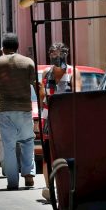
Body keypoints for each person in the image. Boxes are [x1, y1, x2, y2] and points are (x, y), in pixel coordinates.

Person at [0, 33, 39, 190]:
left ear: (3, 48)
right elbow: (34, 82)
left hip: (5, 109)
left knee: (9, 146)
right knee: (27, 141)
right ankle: (29, 175)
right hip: (24, 108)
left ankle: (12, 181)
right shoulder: (28, 62)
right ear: (18, 46)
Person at [38, 42, 75, 199]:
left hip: (67, 120)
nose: (57, 57)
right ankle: (50, 188)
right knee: (48, 155)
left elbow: (77, 96)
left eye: (60, 54)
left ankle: (68, 185)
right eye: (53, 54)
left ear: (66, 54)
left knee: (67, 153)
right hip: (49, 120)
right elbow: (41, 98)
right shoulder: (47, 73)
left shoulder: (73, 73)